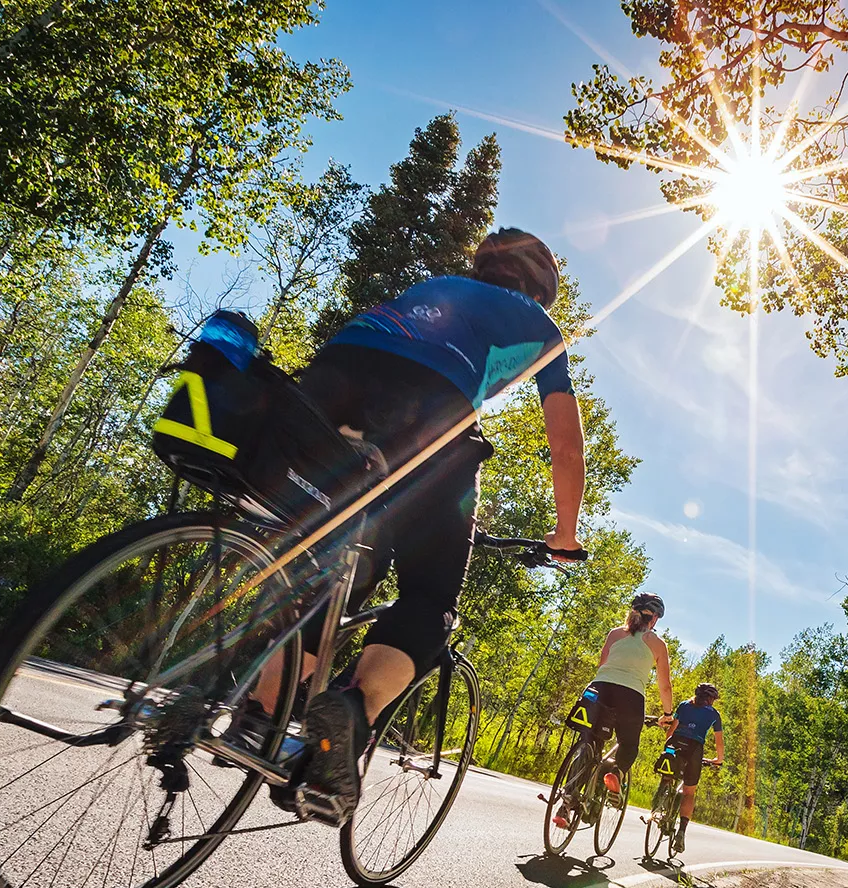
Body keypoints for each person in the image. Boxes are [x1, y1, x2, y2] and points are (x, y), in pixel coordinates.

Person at [235, 228, 587, 825]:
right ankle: (348, 718)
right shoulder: (535, 321)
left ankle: (258, 716)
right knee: (428, 596)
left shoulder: (438, 287)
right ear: (539, 287)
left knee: (342, 563)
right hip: (426, 410)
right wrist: (565, 532)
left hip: (326, 389)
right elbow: (566, 442)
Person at [553, 593, 674, 828]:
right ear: (655, 618)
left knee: (589, 743)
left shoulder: (615, 633)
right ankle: (616, 774)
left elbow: (602, 664)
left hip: (599, 689)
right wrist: (667, 715)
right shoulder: (657, 644)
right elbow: (665, 685)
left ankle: (565, 806)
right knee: (629, 744)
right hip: (630, 696)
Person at [663, 681, 724, 853]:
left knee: (668, 774)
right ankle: (681, 832)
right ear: (711, 699)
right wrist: (717, 760)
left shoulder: (683, 706)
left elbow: (671, 732)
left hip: (675, 744)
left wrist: (666, 747)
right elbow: (719, 742)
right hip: (694, 750)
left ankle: (660, 800)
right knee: (689, 792)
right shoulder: (714, 714)